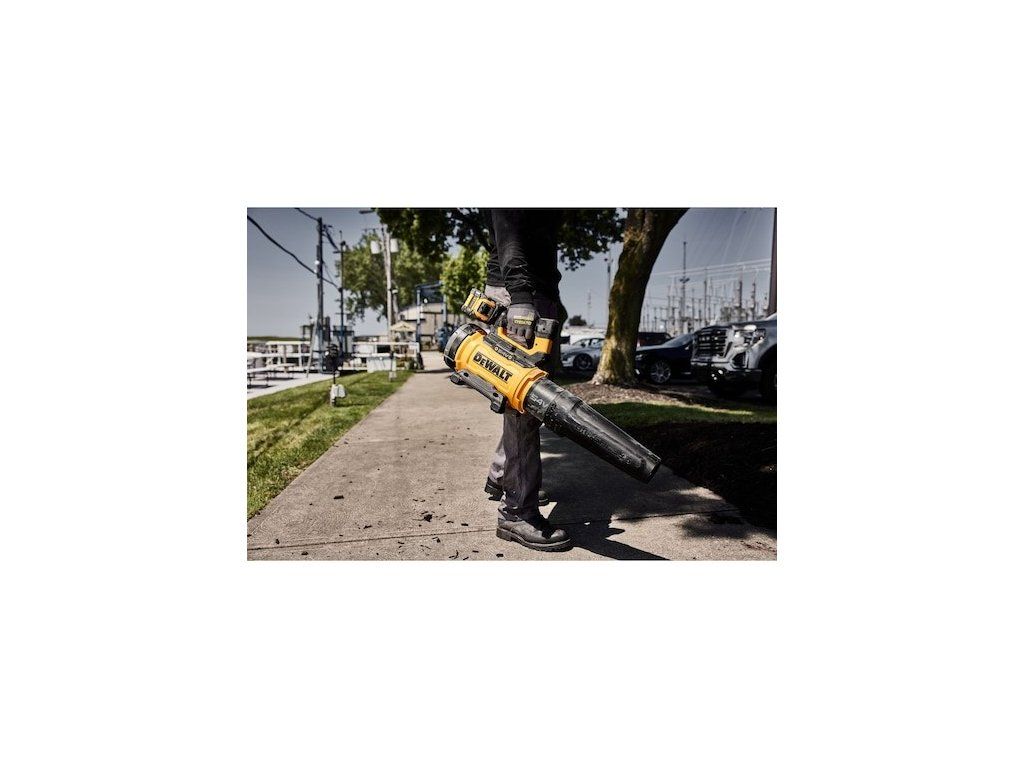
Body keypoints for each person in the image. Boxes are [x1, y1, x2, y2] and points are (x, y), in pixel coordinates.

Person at [482, 209, 572, 552]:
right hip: (520, 294)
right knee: (525, 401)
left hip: (534, 290)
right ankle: (517, 512)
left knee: (523, 401)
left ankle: (501, 475)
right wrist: (521, 297)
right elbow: (509, 227)